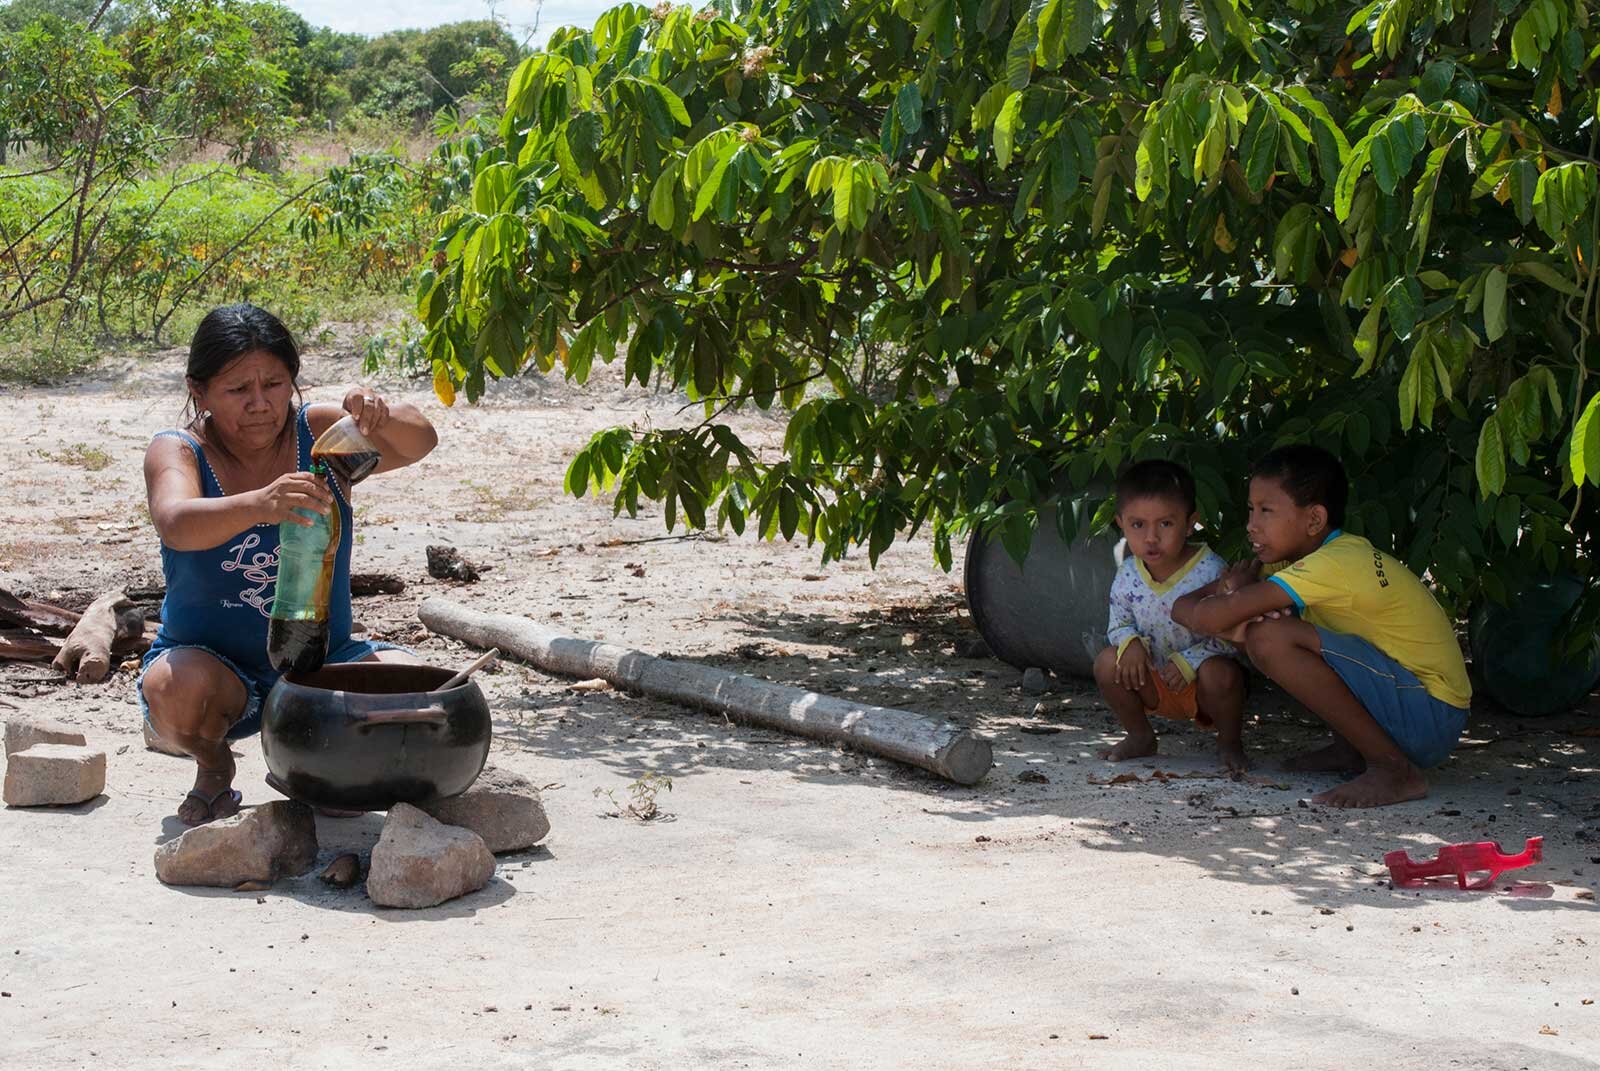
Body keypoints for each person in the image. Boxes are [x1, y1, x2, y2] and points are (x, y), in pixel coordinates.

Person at [139, 304, 439, 825]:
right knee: (173, 688)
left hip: (321, 659)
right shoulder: (179, 449)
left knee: (428, 690)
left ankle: (311, 770)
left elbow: (420, 442)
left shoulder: (321, 438)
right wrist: (260, 504)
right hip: (209, 663)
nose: (259, 405)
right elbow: (176, 521)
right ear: (198, 390)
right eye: (237, 391)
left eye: (274, 385)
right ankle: (214, 765)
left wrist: (380, 414)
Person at [1170, 445, 1471, 808]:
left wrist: (1231, 595)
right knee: (1258, 630)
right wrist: (1227, 594)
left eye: (1266, 511)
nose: (1251, 524)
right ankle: (1354, 750)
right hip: (1411, 705)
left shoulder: (1335, 562)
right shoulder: (1292, 564)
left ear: (1314, 520)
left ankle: (1394, 769)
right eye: (1251, 509)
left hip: (1432, 715)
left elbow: (1208, 617)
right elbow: (1181, 606)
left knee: (1269, 638)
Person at [1092, 460, 1247, 772]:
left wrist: (1191, 660)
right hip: (1152, 680)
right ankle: (1140, 736)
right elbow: (1118, 623)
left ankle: (1230, 743)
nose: (1151, 537)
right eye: (1138, 525)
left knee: (1224, 674)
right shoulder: (1127, 573)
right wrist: (1129, 642)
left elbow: (1234, 637)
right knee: (1107, 662)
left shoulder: (1211, 570)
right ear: (1121, 523)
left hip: (1203, 686)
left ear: (1190, 524)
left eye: (1165, 524)